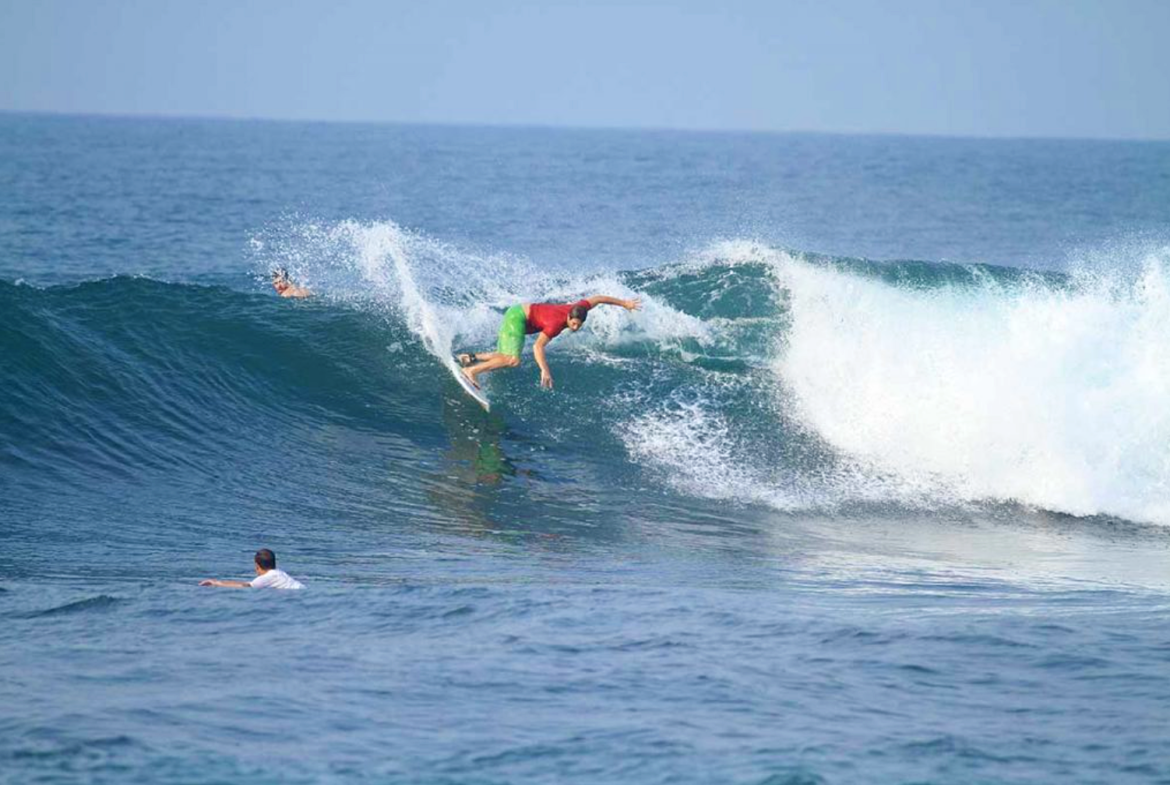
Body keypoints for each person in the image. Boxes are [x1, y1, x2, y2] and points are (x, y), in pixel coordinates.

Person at [458, 295, 641, 389]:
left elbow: (599, 298)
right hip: (518, 318)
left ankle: (469, 357)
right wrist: (545, 370)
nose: (575, 327)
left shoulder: (580, 308)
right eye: (573, 323)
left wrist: (625, 304)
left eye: (579, 325)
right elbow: (538, 346)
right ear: (569, 317)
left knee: (505, 356)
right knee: (513, 360)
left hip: (518, 314)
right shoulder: (555, 324)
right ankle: (471, 371)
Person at [200, 548, 305, 590]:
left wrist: (216, 583)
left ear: (257, 566)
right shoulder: (279, 573)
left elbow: (244, 586)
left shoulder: (267, 577)